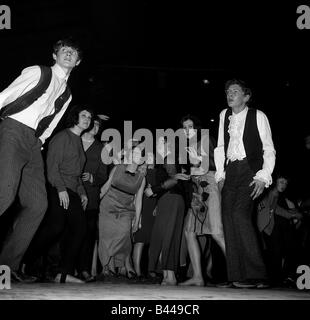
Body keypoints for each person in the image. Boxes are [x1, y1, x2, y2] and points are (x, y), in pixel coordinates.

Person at [0, 37, 82, 282]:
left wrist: (41, 142)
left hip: (34, 143)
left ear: (78, 62)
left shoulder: (67, 94)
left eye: (73, 52)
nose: (68, 53)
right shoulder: (39, 72)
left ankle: (5, 266)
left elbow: (52, 123)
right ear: (55, 55)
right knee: (4, 193)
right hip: (13, 130)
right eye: (64, 50)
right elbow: (5, 95)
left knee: (37, 204)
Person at [214, 79, 276, 288]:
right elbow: (220, 147)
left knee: (240, 215)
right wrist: (221, 175)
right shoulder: (224, 115)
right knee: (228, 219)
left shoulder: (258, 116)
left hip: (250, 170)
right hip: (230, 171)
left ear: (246, 96)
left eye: (235, 91)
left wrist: (263, 176)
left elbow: (268, 148)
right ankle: (237, 276)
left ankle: (257, 274)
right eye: (227, 91)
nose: (230, 94)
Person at [23, 106, 93, 283]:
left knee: (80, 228)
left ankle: (63, 273)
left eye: (90, 117)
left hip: (72, 191)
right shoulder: (62, 137)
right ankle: (26, 261)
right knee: (55, 228)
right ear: (75, 117)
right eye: (83, 115)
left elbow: (76, 174)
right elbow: (52, 166)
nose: (87, 119)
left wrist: (82, 192)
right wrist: (61, 189)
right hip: (58, 189)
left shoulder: (77, 141)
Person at [179, 115, 225, 287]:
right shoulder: (188, 146)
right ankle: (198, 276)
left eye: (190, 126)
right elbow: (195, 171)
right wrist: (188, 174)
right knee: (189, 230)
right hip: (198, 190)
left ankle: (241, 274)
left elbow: (219, 165)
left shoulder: (206, 139)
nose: (187, 130)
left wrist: (199, 161)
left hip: (211, 186)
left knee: (217, 232)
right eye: (184, 127)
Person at [98, 145, 146, 279]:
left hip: (126, 209)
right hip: (108, 205)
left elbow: (139, 200)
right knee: (105, 237)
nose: (136, 155)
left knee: (125, 235)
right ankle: (106, 267)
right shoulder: (118, 168)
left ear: (142, 159)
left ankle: (125, 264)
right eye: (134, 152)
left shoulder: (141, 177)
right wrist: (95, 202)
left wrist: (137, 220)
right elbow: (106, 186)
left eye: (139, 153)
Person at [147, 136, 188, 286]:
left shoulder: (169, 158)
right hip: (168, 200)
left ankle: (170, 276)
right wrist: (158, 202)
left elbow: (174, 180)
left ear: (168, 144)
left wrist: (154, 190)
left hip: (173, 199)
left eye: (160, 141)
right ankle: (167, 275)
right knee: (164, 236)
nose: (157, 144)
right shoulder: (164, 160)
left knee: (169, 236)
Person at [76, 116, 108, 282]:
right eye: (94, 123)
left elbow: (104, 175)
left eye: (98, 125)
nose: (96, 127)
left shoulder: (101, 148)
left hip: (91, 196)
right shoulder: (74, 140)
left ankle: (84, 270)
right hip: (71, 193)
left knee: (88, 234)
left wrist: (93, 178)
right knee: (70, 231)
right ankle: (64, 268)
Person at [257, 174, 303, 287]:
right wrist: (292, 215)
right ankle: (273, 279)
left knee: (275, 252)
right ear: (275, 181)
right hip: (267, 226)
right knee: (274, 253)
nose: (284, 185)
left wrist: (293, 214)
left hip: (268, 227)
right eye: (282, 182)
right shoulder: (271, 192)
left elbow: (277, 209)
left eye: (286, 183)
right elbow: (273, 209)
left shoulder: (276, 194)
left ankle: (276, 279)